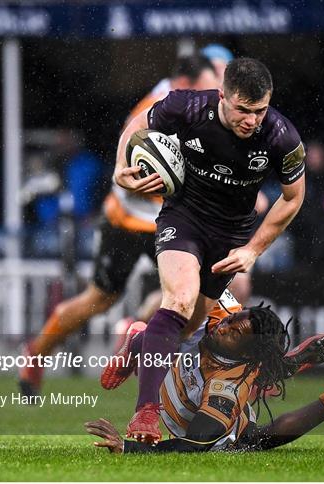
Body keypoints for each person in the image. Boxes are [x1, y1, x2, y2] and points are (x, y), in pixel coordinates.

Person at [113, 57, 306, 442]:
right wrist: (120, 166)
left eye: (260, 110)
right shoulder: (187, 106)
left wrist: (253, 249)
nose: (252, 120)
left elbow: (293, 198)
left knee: (189, 329)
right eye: (243, 110)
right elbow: (139, 125)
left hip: (232, 235)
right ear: (223, 95)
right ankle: (145, 414)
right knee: (179, 301)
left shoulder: (281, 136)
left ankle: (140, 341)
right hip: (183, 218)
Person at [18, 54, 220, 397]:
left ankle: (40, 353)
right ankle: (44, 353)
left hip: (128, 220)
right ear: (186, 85)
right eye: (206, 88)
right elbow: (149, 167)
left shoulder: (169, 102)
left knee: (102, 298)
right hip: (147, 221)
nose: (211, 98)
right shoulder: (164, 108)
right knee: (188, 296)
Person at [86, 303, 324, 453]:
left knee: (250, 441)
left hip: (213, 408)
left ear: (243, 351)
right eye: (235, 319)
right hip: (181, 365)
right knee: (175, 325)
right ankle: (141, 341)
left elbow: (197, 442)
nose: (226, 326)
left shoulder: (227, 387)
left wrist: (128, 449)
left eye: (235, 330)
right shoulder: (218, 314)